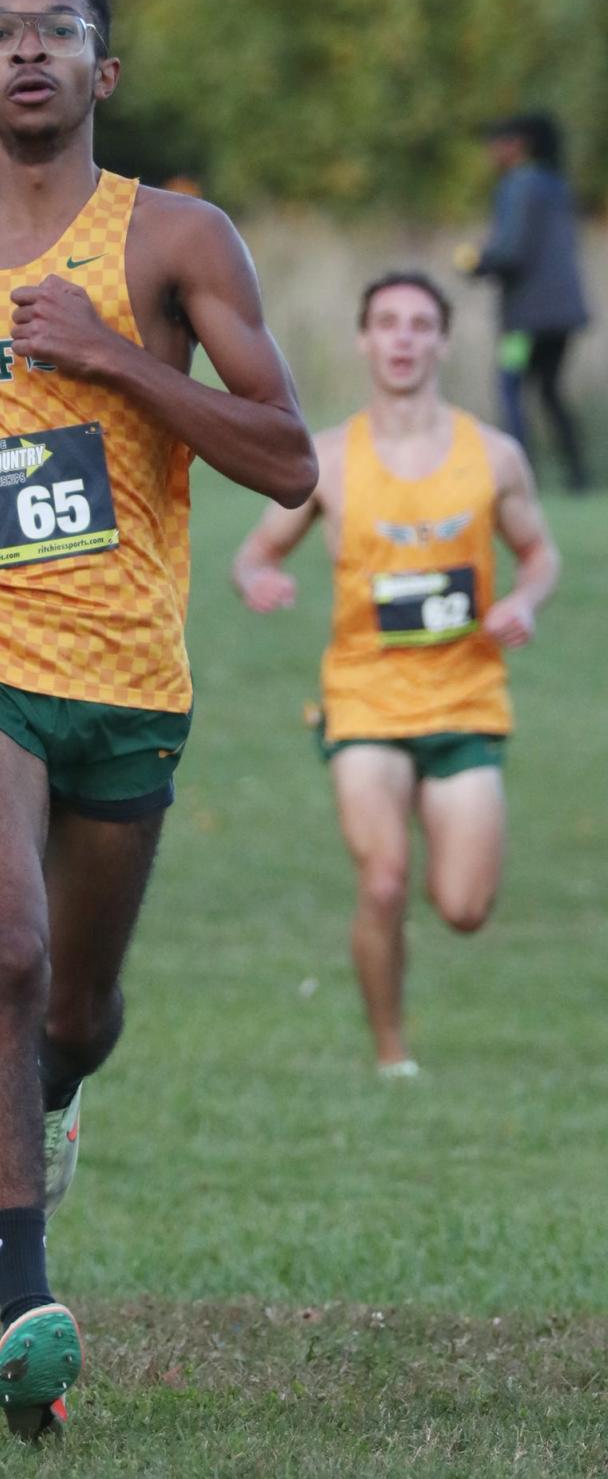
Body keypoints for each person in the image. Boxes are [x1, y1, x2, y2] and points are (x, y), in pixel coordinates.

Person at [0, 0, 316, 1440]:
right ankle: (24, 1307)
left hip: (126, 675)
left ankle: (59, 1089)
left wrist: (111, 360)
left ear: (103, 71)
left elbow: (286, 452)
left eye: (57, 30)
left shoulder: (174, 241)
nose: (26, 50)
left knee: (80, 1009)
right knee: (7, 948)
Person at [232, 271, 559, 1078]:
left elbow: (540, 551)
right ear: (365, 340)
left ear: (443, 341)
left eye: (420, 324)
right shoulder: (331, 457)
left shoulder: (495, 456)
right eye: (388, 323)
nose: (404, 338)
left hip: (465, 700)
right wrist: (258, 579)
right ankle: (392, 1056)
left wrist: (525, 600)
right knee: (382, 881)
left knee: (464, 909)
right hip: (365, 700)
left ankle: (442, 832)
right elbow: (256, 548)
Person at [455, 111, 591, 491]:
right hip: (563, 315)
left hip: (526, 320)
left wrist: (475, 261)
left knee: (510, 385)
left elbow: (511, 251)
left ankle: (521, 475)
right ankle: (578, 475)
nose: (491, 152)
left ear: (516, 145)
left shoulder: (517, 185)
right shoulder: (555, 184)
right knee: (549, 390)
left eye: (497, 143)